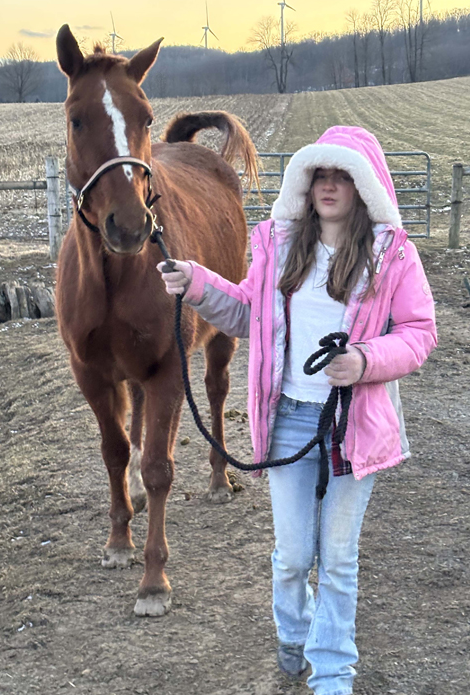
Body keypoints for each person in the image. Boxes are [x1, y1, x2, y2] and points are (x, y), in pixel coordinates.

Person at [158, 125, 437, 693]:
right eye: (320, 176)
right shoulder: (277, 247)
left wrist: (365, 360)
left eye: (342, 176)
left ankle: (333, 672)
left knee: (337, 558)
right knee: (291, 554)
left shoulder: (393, 257)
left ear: (363, 186)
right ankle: (294, 633)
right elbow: (245, 314)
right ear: (306, 184)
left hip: (352, 423)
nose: (329, 186)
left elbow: (419, 332)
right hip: (288, 417)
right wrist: (198, 283)